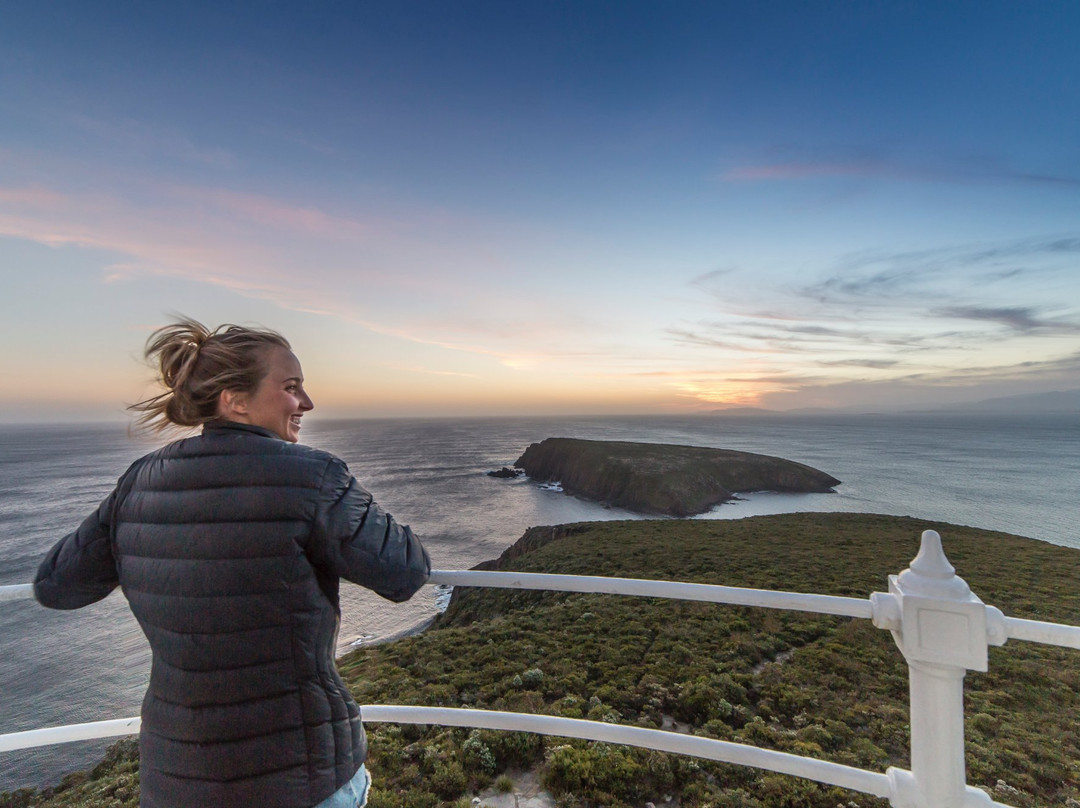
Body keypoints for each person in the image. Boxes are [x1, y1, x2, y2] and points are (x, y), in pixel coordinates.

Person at [34, 317, 430, 808]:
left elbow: (57, 585)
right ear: (234, 399)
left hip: (177, 780)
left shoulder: (139, 479)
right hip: (300, 778)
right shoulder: (314, 474)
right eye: (291, 387)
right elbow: (405, 572)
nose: (307, 403)